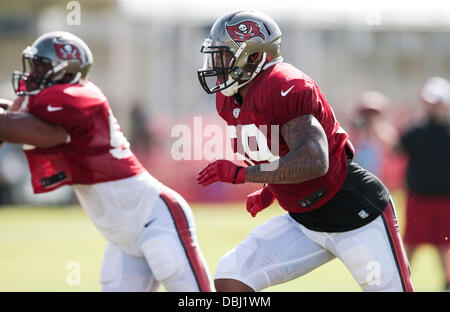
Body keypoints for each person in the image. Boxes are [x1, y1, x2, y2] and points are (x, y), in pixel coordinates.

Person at [197, 10, 414, 292]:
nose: (218, 63)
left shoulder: (284, 86)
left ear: (253, 57)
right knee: (233, 276)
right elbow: (279, 149)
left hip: (354, 211)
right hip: (303, 221)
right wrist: (270, 188)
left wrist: (242, 174)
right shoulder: (230, 100)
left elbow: (314, 160)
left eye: (224, 54)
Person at [0, 31, 211, 292]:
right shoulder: (49, 106)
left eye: (40, 67)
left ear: (65, 72)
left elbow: (11, 125)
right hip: (122, 237)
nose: (32, 74)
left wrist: (10, 114)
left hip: (156, 217)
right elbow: (17, 125)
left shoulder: (80, 97)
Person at [369, 77, 450, 291]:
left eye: (435, 102)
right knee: (411, 243)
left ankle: (447, 282)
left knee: (445, 244)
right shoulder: (417, 130)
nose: (430, 106)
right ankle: (400, 280)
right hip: (419, 197)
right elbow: (394, 146)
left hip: (445, 198)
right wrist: (376, 123)